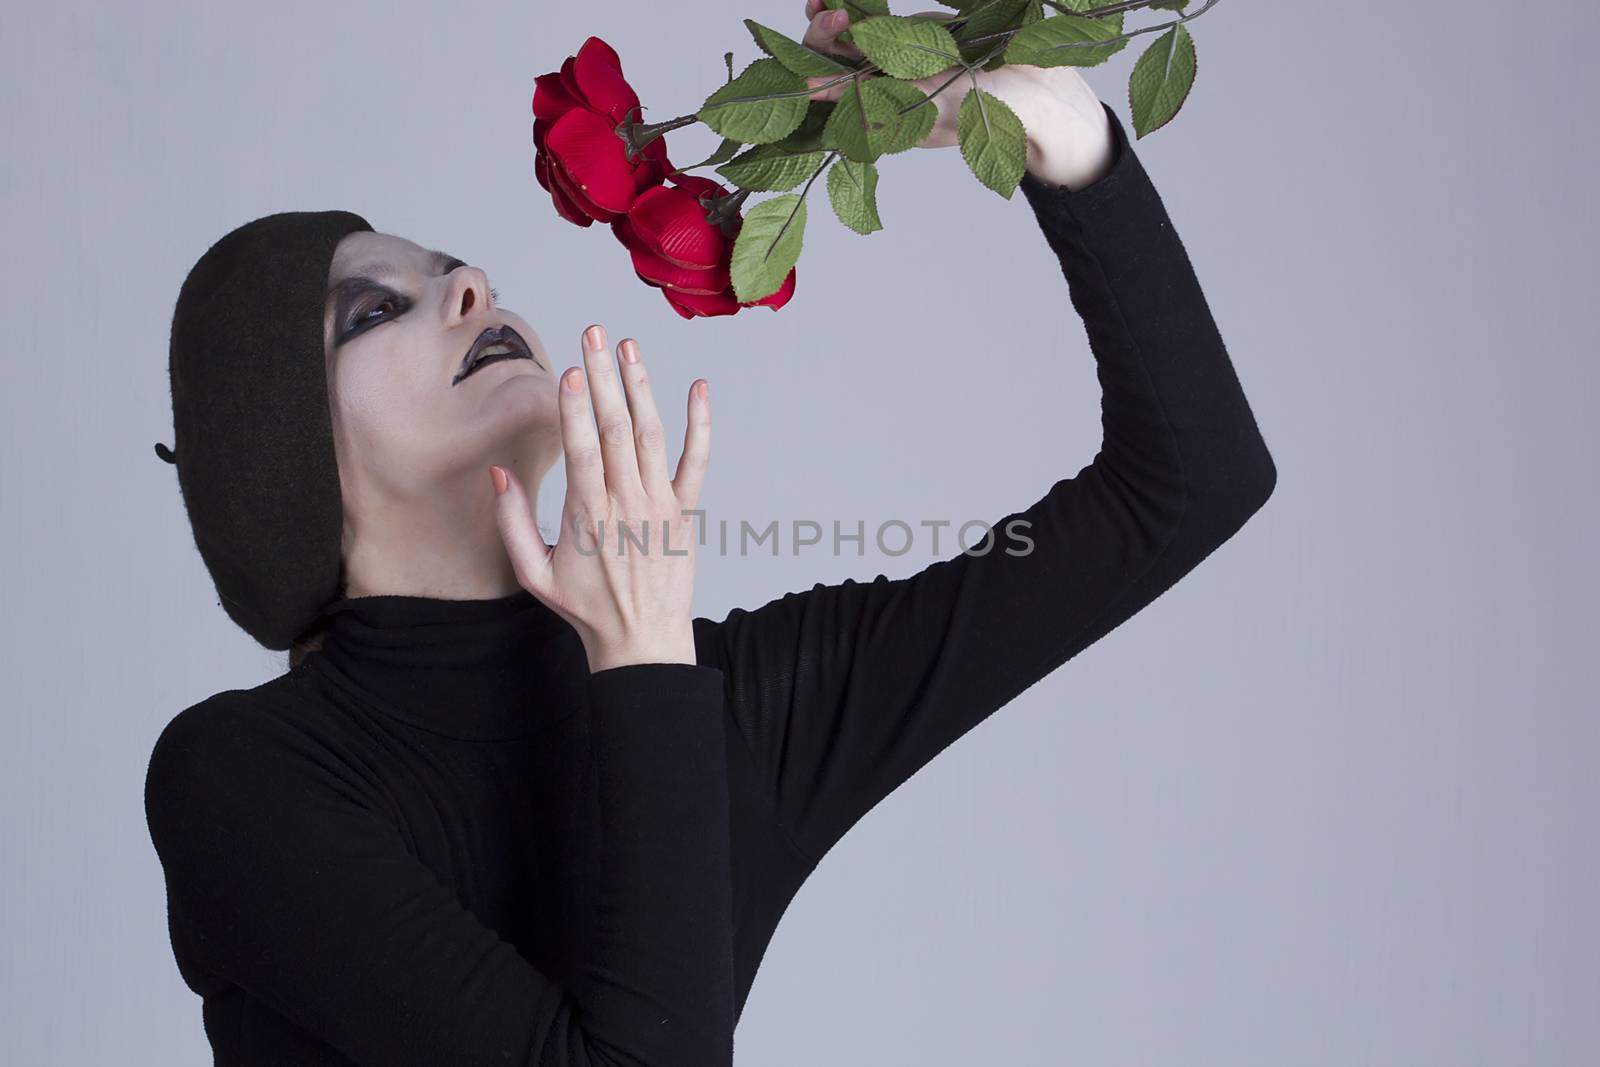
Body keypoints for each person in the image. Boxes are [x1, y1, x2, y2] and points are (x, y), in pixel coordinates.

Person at [143, 4, 1277, 1064]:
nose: (472, 286)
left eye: (455, 270)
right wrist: (638, 661)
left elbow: (1187, 483)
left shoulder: (725, 702)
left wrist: (1057, 136)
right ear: (287, 460)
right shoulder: (242, 777)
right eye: (373, 309)